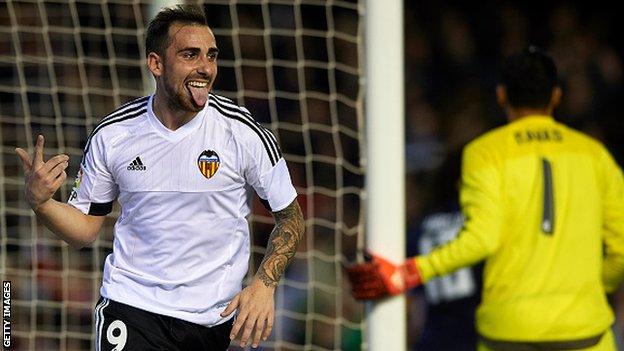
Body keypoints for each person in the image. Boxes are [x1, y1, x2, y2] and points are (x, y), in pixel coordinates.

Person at [15, 5, 304, 351]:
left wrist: (264, 284)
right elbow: (85, 230)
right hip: (133, 308)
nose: (205, 68)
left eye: (211, 56)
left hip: (214, 320)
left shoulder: (242, 132)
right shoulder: (114, 135)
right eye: (190, 55)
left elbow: (291, 217)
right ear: (156, 64)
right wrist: (42, 203)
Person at [348, 47, 624, 350]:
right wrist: (595, 286)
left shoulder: (484, 154)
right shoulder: (595, 156)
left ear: (502, 95)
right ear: (556, 96)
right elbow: (621, 247)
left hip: (509, 333)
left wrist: (408, 272)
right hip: (585, 332)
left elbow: (482, 238)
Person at [407, 149, 482, 351]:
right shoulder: (480, 227)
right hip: (477, 338)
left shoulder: (421, 228)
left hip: (433, 340)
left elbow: (415, 307)